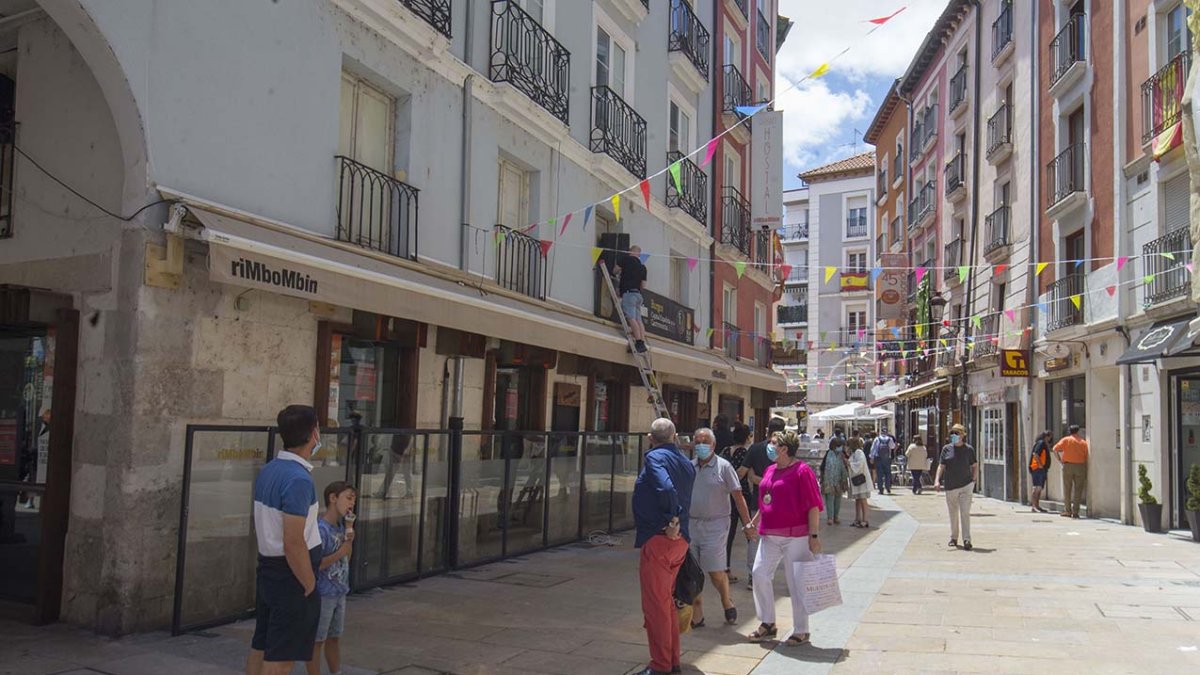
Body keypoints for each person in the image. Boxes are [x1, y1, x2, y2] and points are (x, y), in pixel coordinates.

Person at [247, 405, 324, 675]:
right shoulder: (298, 479)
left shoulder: (270, 470)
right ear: (313, 433)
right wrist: (309, 582)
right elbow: (293, 542)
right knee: (282, 656)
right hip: (291, 576)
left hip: (269, 569)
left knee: (263, 644)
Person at [746, 431, 824, 647]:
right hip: (770, 533)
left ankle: (801, 629)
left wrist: (814, 536)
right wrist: (754, 522)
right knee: (759, 574)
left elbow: (813, 506)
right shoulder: (770, 470)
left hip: (796, 535)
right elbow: (765, 501)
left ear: (784, 448)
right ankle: (767, 621)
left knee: (796, 582)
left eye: (773, 443)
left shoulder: (802, 471)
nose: (769, 447)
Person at [632, 418, 695, 675]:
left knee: (655, 606)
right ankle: (672, 661)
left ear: (650, 437)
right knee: (666, 603)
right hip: (678, 541)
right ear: (675, 437)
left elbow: (665, 487)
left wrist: (672, 519)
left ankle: (660, 666)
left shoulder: (654, 458)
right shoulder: (684, 462)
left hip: (660, 537)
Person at [688, 428, 754, 628]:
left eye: (705, 441)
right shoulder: (689, 467)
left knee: (715, 571)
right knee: (692, 571)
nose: (700, 445)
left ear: (713, 445)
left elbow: (737, 496)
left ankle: (726, 600)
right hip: (692, 524)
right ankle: (697, 611)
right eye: (697, 441)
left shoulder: (724, 467)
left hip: (716, 525)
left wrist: (747, 523)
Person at [307, 482, 357, 675]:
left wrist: (349, 534)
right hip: (324, 592)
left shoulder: (340, 528)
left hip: (340, 591)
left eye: (354, 499)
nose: (351, 503)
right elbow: (316, 563)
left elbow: (347, 558)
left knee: (334, 637)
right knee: (317, 640)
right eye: (348, 498)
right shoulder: (321, 529)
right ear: (333, 498)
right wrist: (341, 552)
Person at [742, 417, 786, 589]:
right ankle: (767, 575)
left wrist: (756, 479)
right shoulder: (785, 451)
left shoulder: (755, 449)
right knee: (779, 540)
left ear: (767, 429)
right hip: (781, 503)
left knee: (755, 539)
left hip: (758, 501)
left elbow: (747, 474)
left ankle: (754, 576)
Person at [935, 423, 979, 550]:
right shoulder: (946, 449)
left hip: (966, 485)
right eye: (952, 433)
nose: (954, 436)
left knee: (965, 512)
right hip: (950, 486)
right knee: (953, 513)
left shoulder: (969, 449)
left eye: (957, 433)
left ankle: (967, 540)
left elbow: (974, 465)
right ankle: (954, 537)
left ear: (963, 434)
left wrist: (974, 480)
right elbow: (941, 466)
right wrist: (937, 480)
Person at [723, 423, 755, 584]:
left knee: (729, 533)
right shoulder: (746, 453)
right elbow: (748, 475)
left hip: (727, 495)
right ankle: (753, 571)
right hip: (743, 495)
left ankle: (725, 568)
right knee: (750, 531)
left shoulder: (725, 451)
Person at [614, 245, 649, 353]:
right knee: (639, 320)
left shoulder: (626, 259)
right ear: (639, 254)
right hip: (638, 295)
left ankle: (638, 342)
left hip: (629, 293)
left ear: (630, 251)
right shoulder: (643, 267)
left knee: (631, 318)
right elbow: (643, 285)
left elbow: (615, 270)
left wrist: (621, 275)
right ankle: (642, 341)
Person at [1053, 425, 1089, 519]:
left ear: (1070, 431)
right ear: (1078, 431)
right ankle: (1076, 511)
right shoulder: (1083, 442)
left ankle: (1068, 510)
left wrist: (1060, 460)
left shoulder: (1066, 440)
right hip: (1080, 466)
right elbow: (1086, 456)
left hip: (1068, 465)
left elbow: (1055, 449)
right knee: (1078, 489)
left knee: (1067, 488)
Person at [818, 435, 849, 525]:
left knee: (838, 499)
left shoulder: (842, 455)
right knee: (830, 499)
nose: (841, 448)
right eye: (839, 446)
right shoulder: (828, 454)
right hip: (829, 480)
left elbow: (845, 466)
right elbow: (823, 466)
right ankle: (830, 517)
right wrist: (823, 477)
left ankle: (836, 516)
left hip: (839, 479)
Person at [846, 436, 872, 527]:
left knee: (863, 500)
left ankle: (865, 520)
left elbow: (860, 464)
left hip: (861, 481)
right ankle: (857, 518)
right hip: (856, 481)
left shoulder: (859, 452)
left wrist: (849, 463)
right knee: (857, 500)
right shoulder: (853, 453)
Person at [1029, 430, 1053, 513]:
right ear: (1047, 436)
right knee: (1036, 487)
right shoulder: (1041, 443)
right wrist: (1040, 465)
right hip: (1038, 469)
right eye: (1050, 437)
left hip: (1040, 468)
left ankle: (1036, 505)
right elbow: (1036, 454)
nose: (1051, 439)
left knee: (1039, 488)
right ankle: (1034, 506)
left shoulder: (1042, 443)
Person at [870, 429, 897, 495]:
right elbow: (893, 447)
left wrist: (872, 457)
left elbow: (873, 449)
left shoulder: (877, 439)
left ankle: (880, 489)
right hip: (887, 458)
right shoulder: (889, 439)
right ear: (886, 432)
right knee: (888, 473)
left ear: (880, 432)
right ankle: (888, 487)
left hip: (878, 458)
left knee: (879, 474)